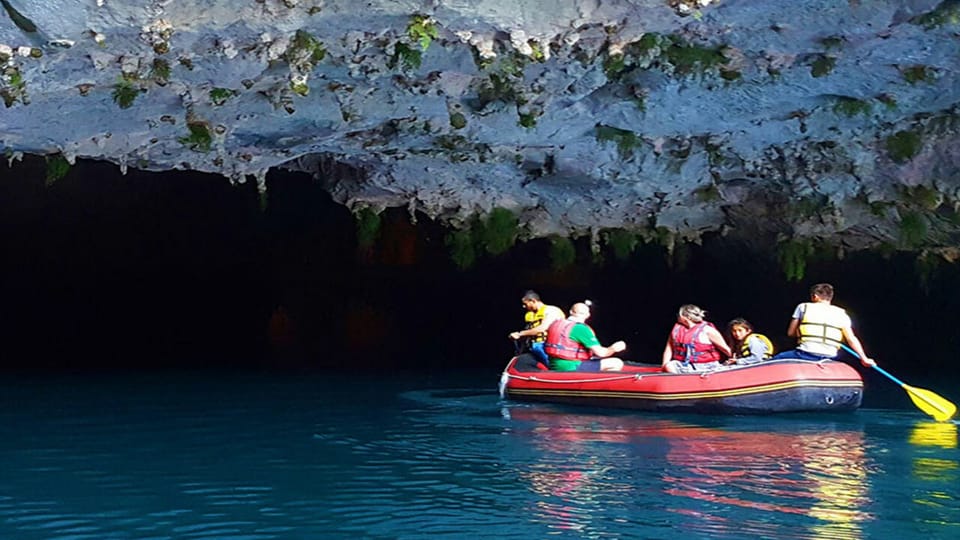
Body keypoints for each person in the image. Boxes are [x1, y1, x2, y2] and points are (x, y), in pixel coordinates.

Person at [772, 283, 876, 367]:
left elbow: (790, 333)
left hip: (805, 354)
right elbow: (851, 339)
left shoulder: (803, 307)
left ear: (815, 296)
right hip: (830, 356)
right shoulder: (841, 314)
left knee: (775, 360)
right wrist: (864, 358)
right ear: (830, 297)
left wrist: (802, 333)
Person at [544, 302, 626, 371]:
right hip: (572, 367)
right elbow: (602, 353)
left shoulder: (555, 324)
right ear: (588, 315)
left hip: (553, 365)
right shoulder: (580, 328)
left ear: (571, 312)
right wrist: (614, 348)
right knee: (616, 363)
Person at [662, 304, 731, 373]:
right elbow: (669, 348)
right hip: (685, 365)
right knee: (669, 366)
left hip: (707, 366)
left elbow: (725, 349)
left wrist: (734, 359)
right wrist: (664, 365)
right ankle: (680, 381)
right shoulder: (677, 330)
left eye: (679, 314)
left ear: (687, 317)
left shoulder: (707, 330)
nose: (678, 316)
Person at [508, 290, 565, 363]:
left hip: (550, 345)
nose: (524, 306)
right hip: (534, 346)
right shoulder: (530, 315)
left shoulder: (551, 310)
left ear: (533, 301)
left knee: (539, 349)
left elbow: (542, 328)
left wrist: (520, 334)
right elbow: (529, 333)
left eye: (525, 304)